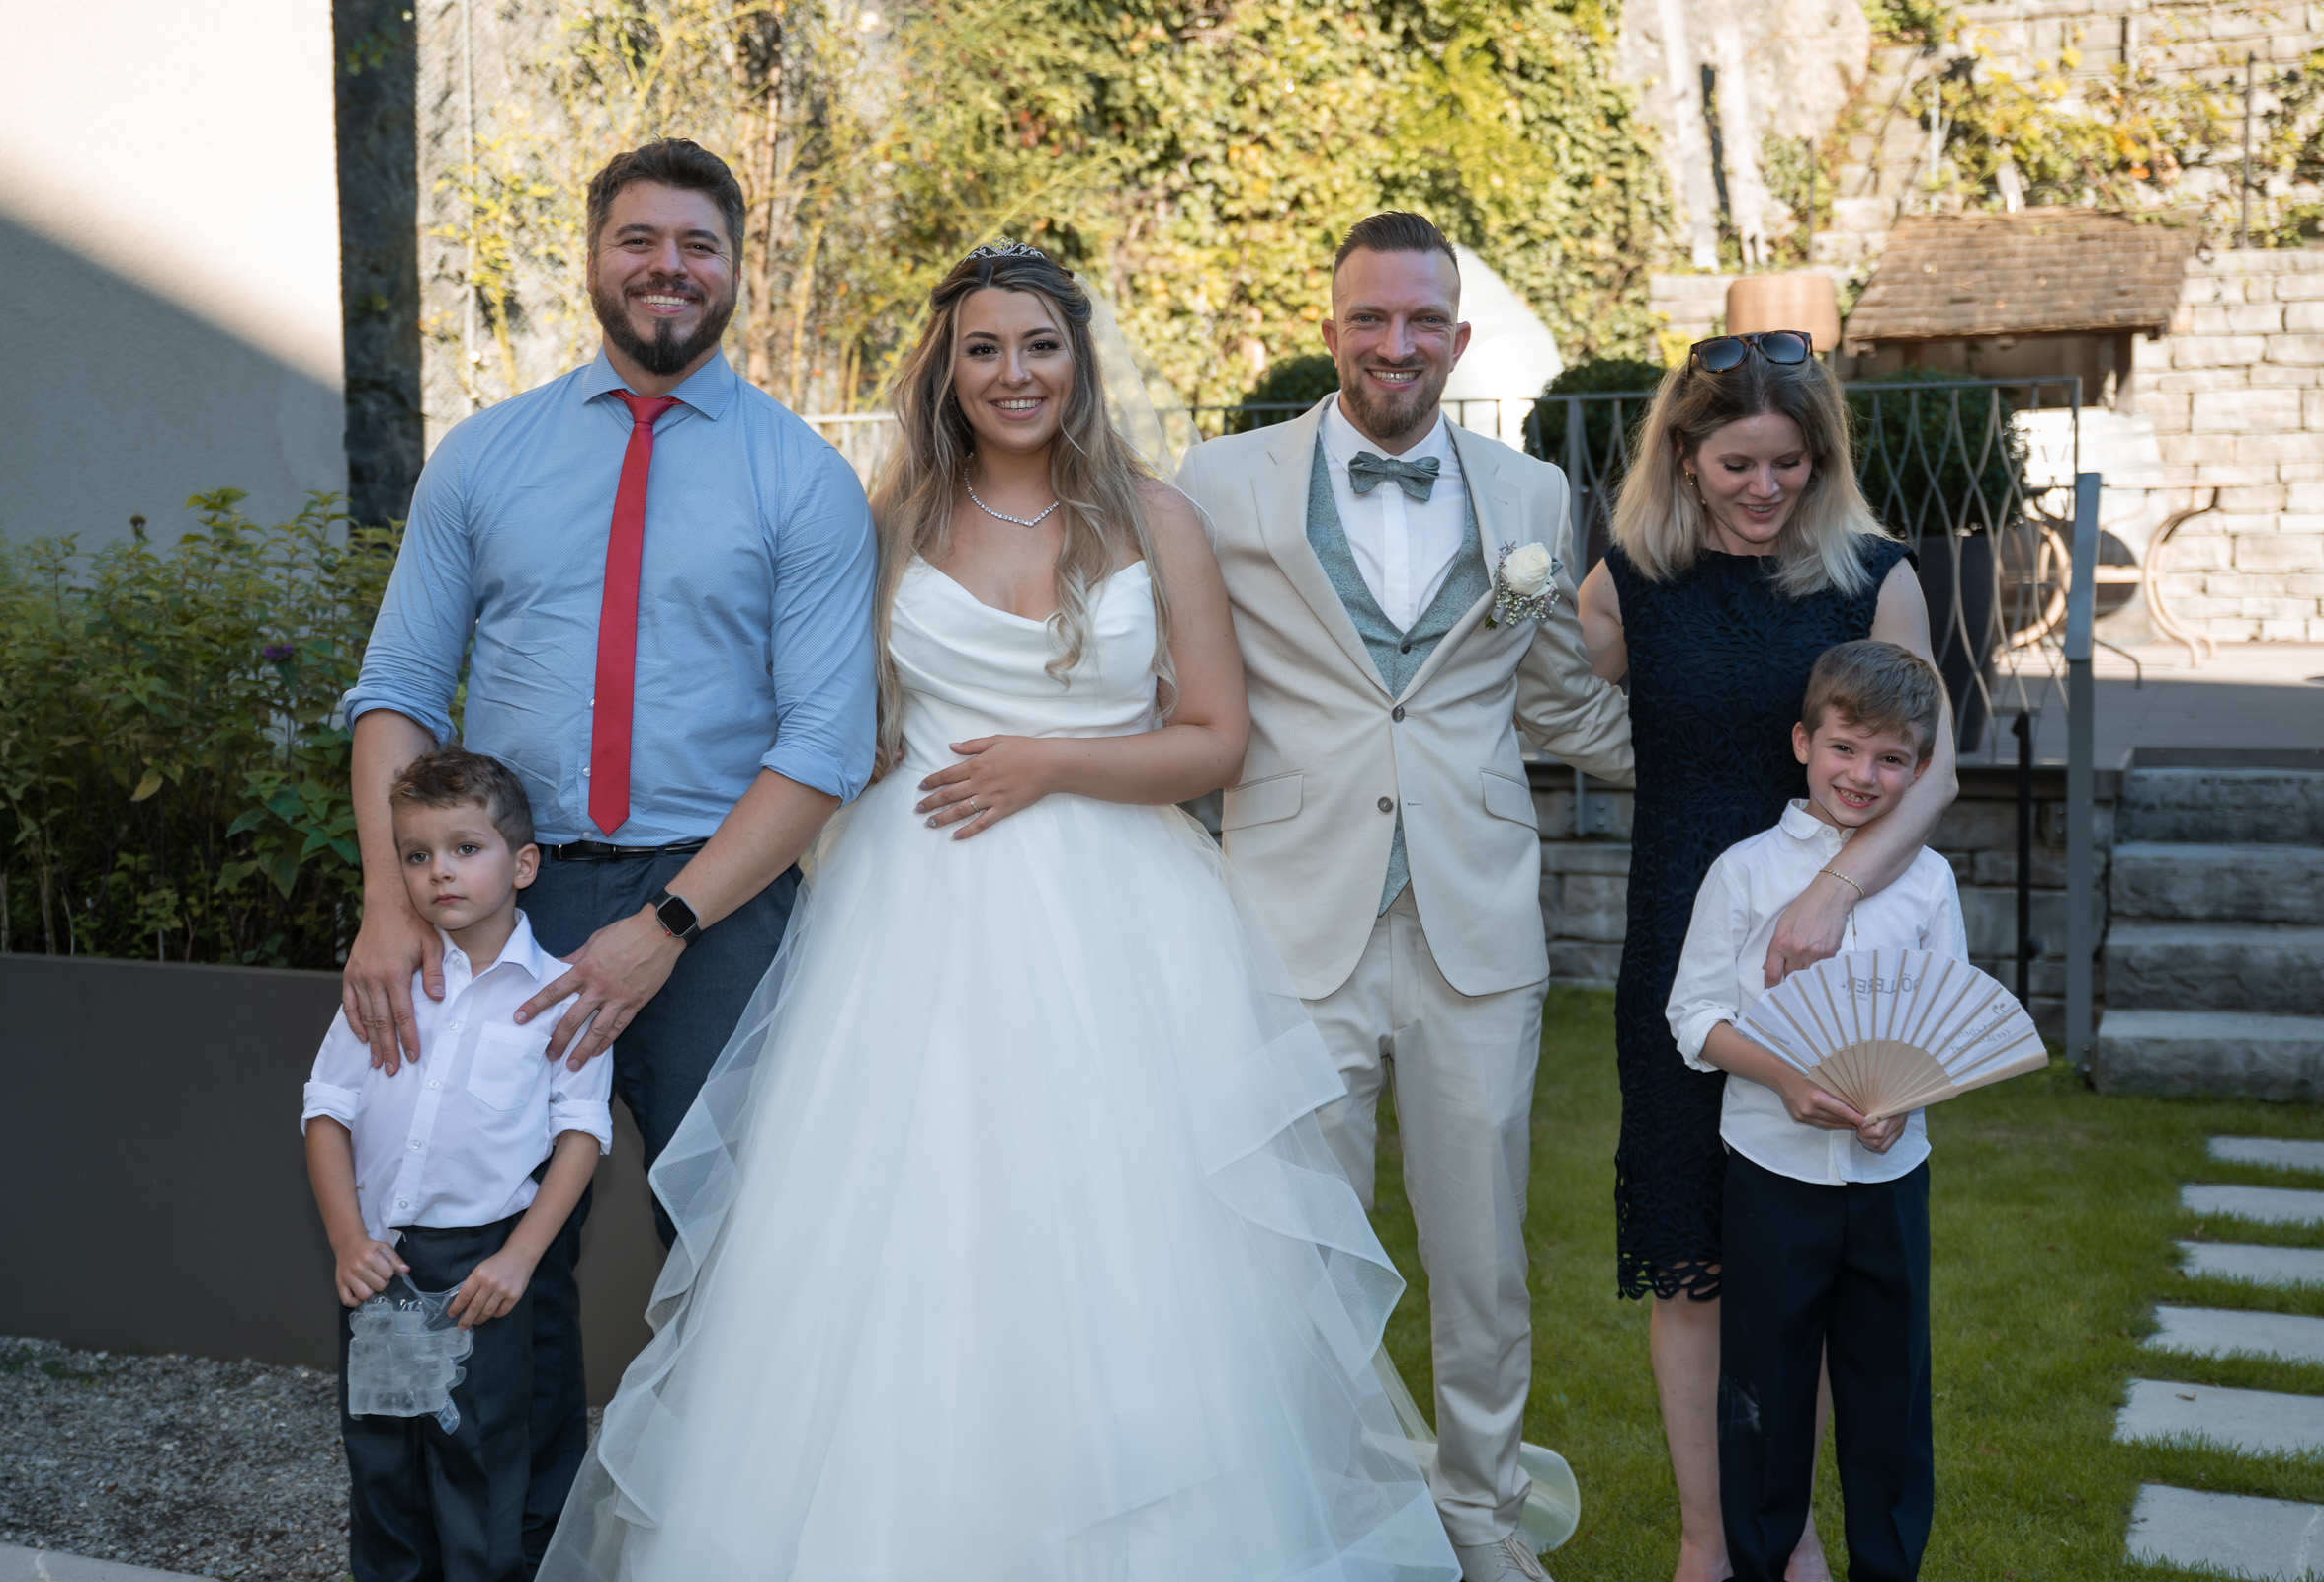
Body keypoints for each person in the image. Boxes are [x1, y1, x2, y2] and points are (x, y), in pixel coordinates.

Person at [536, 239, 1460, 1581]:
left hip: (1119, 924)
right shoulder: (891, 526)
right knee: (907, 1222)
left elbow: (1216, 739)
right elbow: (837, 727)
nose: (1013, 373)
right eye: (983, 348)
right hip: (914, 918)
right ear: (948, 368)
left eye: (1039, 345)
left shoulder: (1156, 520)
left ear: (1078, 360)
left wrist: (1052, 763)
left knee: (1128, 1232)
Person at [337, 138, 877, 1563]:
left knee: (734, 1250)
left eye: (697, 244)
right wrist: (393, 901)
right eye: (639, 240)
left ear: (737, 267)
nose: (666, 269)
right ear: (594, 257)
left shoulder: (802, 479)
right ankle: (481, 1552)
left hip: (719, 905)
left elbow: (826, 743)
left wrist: (670, 925)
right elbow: (397, 689)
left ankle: (727, 1542)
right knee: (466, 1238)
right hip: (499, 904)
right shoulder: (486, 457)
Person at [1176, 212, 1633, 1582]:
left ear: (1458, 337)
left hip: (1473, 928)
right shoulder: (1221, 482)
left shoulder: (1531, 497)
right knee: (1301, 1257)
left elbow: (1558, 700)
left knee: (1482, 1259)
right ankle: (1315, 1518)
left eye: (1423, 320)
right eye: (1371, 318)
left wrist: (1746, 757)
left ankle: (1481, 1517)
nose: (1397, 343)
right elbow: (1172, 680)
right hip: (1287, 918)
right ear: (1330, 332)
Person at [1576, 331, 1958, 1582]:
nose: (1765, 485)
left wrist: (1835, 892)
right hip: (1682, 939)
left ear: (1821, 458)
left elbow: (1934, 768)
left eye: (1790, 462)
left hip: (1828, 955)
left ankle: (1793, 1534)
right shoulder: (1628, 580)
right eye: (1737, 462)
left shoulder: (1875, 578)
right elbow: (1546, 694)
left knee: (1816, 1264)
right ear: (1684, 456)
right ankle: (1712, 1540)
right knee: (1694, 1261)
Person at [1666, 641, 1963, 1582]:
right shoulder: (1746, 873)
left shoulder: (1929, 882)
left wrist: (1904, 1098)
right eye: (1844, 748)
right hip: (1773, 1171)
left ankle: (1888, 1565)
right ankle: (1760, 1562)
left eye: (1891, 759)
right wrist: (1786, 1081)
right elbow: (1694, 1014)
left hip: (1889, 1177)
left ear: (1920, 767)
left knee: (1889, 1389)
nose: (1863, 776)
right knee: (1767, 1385)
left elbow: (1948, 1018)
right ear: (1803, 743)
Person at [303, 748, 615, 1582]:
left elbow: (581, 1135)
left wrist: (520, 1257)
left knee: (483, 1466)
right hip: (386, 1267)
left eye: (464, 849)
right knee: (385, 1467)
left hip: (486, 1271)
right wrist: (347, 1241)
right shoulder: (386, 985)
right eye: (416, 855)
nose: (438, 871)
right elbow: (326, 1111)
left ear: (523, 865)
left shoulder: (562, 997)